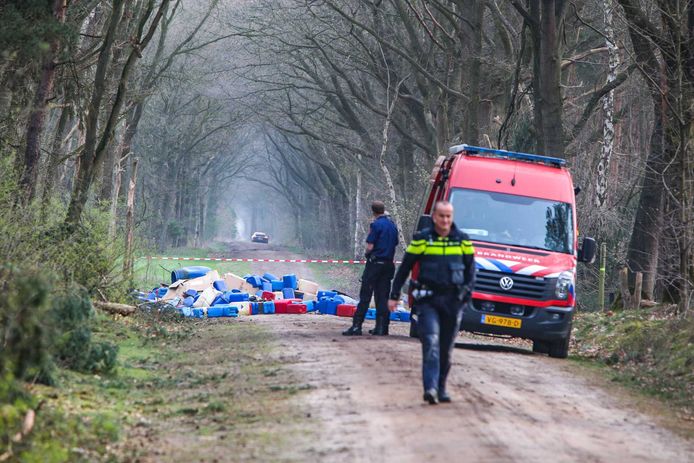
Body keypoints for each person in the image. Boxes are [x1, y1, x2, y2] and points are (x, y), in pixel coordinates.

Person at [388, 200, 475, 404]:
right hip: (428, 301)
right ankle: (430, 389)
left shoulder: (463, 240)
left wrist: (466, 296)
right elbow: (404, 268)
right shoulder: (422, 240)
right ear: (434, 217)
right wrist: (394, 295)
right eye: (441, 216)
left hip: (453, 303)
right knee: (431, 343)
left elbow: (471, 273)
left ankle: (441, 387)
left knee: (445, 349)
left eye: (449, 216)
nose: (445, 220)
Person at [342, 200, 399, 336]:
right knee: (383, 296)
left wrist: (367, 254)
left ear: (373, 212)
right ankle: (382, 328)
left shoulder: (376, 225)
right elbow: (395, 243)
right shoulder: (392, 226)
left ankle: (356, 327)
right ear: (383, 210)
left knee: (366, 295)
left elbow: (370, 246)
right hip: (388, 265)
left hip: (375, 264)